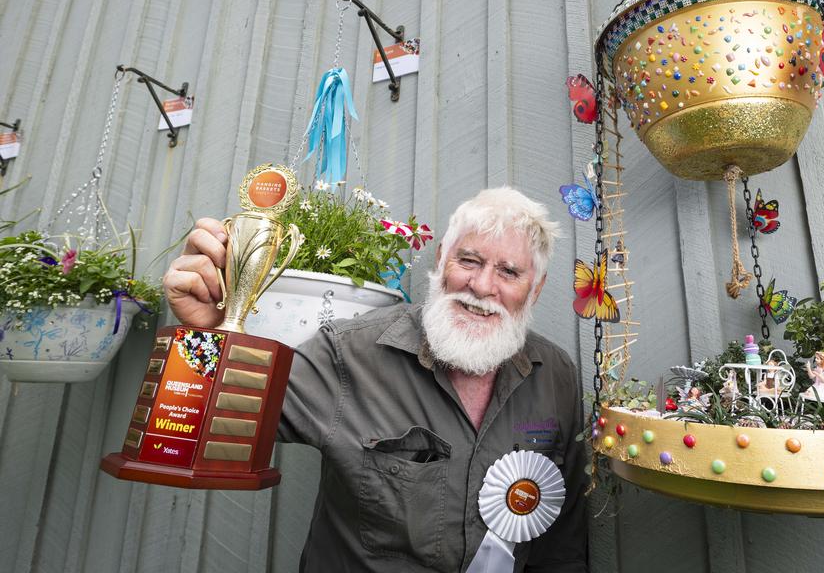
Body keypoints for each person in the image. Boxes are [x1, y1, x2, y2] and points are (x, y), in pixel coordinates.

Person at [163, 187, 588, 572]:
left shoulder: (555, 377)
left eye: (509, 272)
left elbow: (561, 545)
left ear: (536, 288)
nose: (481, 286)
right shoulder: (350, 353)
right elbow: (211, 422)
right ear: (441, 259)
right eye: (469, 261)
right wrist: (208, 334)